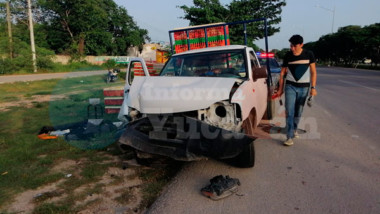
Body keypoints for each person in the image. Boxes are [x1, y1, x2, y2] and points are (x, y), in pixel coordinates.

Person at [274, 35, 317, 146]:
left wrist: (313, 88)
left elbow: (313, 72)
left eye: (294, 46)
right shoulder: (288, 55)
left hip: (304, 88)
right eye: (291, 45)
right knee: (289, 111)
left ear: (301, 45)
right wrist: (280, 89)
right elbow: (283, 72)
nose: (292, 48)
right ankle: (289, 137)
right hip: (290, 87)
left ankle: (294, 129)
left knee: (298, 111)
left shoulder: (309, 54)